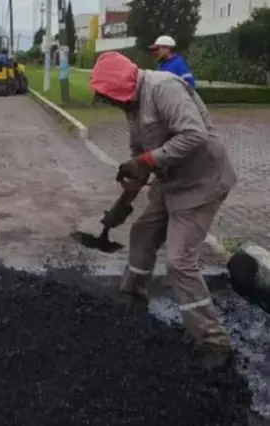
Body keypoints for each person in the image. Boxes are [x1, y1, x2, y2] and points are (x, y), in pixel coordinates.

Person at [89, 51, 237, 371]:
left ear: (121, 88)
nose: (110, 104)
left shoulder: (163, 88)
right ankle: (134, 292)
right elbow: (141, 164)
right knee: (142, 231)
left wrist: (144, 161)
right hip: (172, 181)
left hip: (202, 182)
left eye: (109, 98)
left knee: (179, 262)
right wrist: (121, 206)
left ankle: (213, 340)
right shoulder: (133, 106)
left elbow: (194, 135)